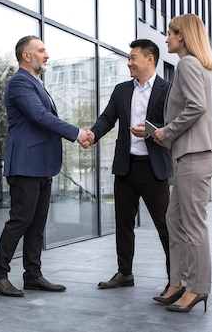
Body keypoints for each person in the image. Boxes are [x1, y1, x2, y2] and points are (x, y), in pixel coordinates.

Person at [0, 35, 91, 297]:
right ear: (26, 55)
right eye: (41, 50)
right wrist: (76, 132)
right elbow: (40, 116)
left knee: (37, 223)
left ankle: (32, 274)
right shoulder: (20, 82)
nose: (47, 55)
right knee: (21, 219)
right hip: (25, 165)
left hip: (41, 166)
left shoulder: (36, 84)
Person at [85, 39, 173, 294]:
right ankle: (125, 273)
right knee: (123, 224)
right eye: (129, 58)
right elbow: (107, 118)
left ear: (150, 59)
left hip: (153, 169)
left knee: (164, 226)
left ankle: (174, 279)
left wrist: (150, 132)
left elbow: (174, 124)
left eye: (133, 57)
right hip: (126, 167)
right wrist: (92, 134)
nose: (129, 62)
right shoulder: (122, 90)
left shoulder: (168, 90)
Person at [152, 13, 212, 313]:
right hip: (188, 154)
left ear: (182, 36)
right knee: (174, 220)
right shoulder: (196, 65)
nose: (166, 38)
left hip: (194, 154)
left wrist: (167, 131)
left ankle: (197, 288)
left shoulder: (188, 63)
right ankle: (178, 281)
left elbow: (196, 107)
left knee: (192, 225)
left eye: (169, 33)